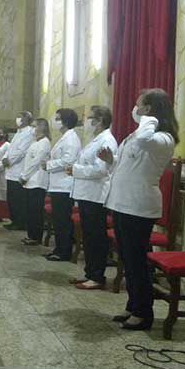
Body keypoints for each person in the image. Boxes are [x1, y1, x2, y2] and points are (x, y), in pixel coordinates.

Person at [98, 88, 178, 331]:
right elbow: (127, 166)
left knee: (137, 261)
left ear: (150, 109)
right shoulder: (138, 134)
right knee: (127, 258)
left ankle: (144, 313)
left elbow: (145, 141)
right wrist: (111, 161)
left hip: (139, 206)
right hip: (122, 202)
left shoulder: (163, 138)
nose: (135, 108)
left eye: (139, 105)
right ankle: (133, 305)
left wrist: (149, 118)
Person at [68, 106, 118, 290]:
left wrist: (75, 170)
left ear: (99, 120)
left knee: (96, 236)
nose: (86, 121)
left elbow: (101, 170)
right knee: (88, 235)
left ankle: (97, 276)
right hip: (87, 193)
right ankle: (89, 273)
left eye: (89, 118)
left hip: (96, 195)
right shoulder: (96, 139)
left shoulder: (107, 140)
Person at [43, 108, 82, 262]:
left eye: (58, 118)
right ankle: (58, 249)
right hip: (58, 184)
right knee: (58, 220)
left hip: (64, 186)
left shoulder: (71, 139)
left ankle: (64, 252)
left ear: (65, 121)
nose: (55, 121)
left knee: (63, 221)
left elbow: (68, 160)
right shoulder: (65, 137)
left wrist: (49, 164)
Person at [19, 119, 51, 246]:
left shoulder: (44, 143)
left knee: (35, 211)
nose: (32, 129)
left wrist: (24, 176)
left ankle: (36, 236)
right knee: (30, 210)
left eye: (34, 126)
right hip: (30, 180)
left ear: (41, 127)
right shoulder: (35, 142)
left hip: (37, 181)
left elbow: (36, 162)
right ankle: (31, 234)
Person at [2, 112, 35, 231]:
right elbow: (10, 148)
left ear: (27, 119)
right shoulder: (18, 132)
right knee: (11, 198)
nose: (18, 119)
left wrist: (9, 161)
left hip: (18, 169)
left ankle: (20, 222)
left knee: (18, 199)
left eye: (21, 117)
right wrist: (4, 158)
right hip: (10, 170)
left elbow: (21, 152)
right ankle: (14, 220)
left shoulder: (29, 133)